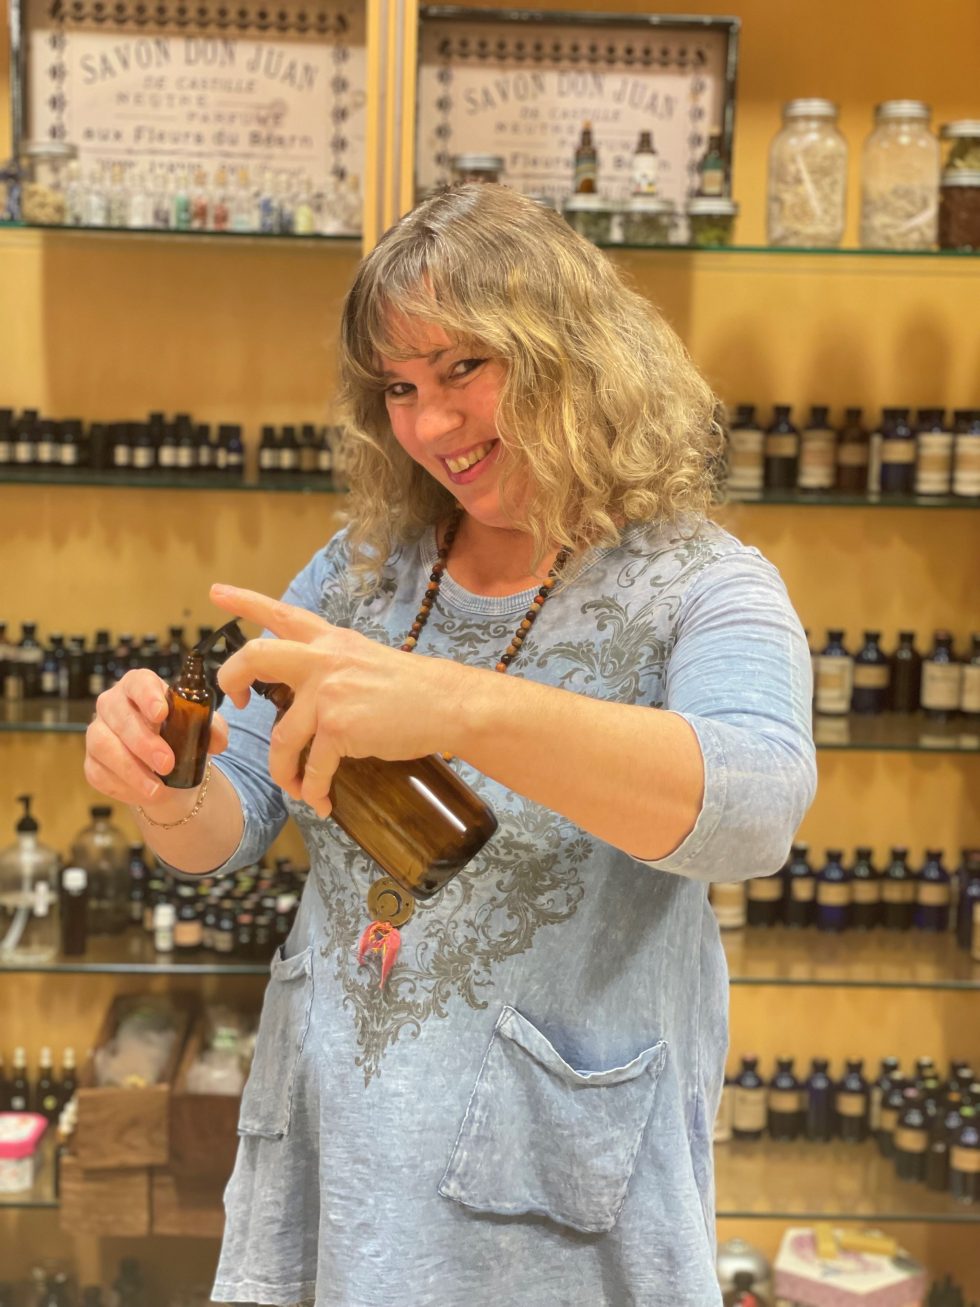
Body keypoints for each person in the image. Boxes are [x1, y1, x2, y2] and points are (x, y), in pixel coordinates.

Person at [83, 184, 816, 1306]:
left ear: (574, 352)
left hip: (548, 1208)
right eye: (399, 388)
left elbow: (754, 811)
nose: (429, 427)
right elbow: (223, 823)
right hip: (336, 1156)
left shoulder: (703, 586)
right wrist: (160, 778)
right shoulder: (359, 573)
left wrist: (456, 705)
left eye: (464, 368)